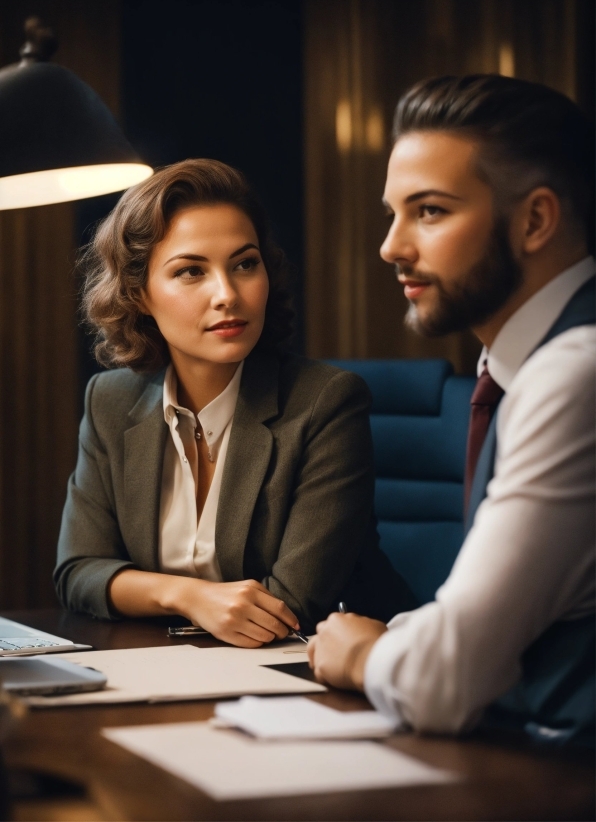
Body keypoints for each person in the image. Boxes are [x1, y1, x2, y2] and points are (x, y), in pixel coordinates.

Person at [308, 75, 595, 744]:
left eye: (429, 211)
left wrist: (361, 655)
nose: (392, 246)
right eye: (393, 212)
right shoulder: (520, 367)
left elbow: (444, 680)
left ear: (535, 220)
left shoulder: (573, 375)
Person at [55, 158, 414, 648]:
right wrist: (187, 596)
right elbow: (78, 571)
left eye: (245, 264)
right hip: (172, 669)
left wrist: (143, 590)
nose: (227, 294)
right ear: (139, 293)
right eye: (190, 272)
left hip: (326, 675)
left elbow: (290, 604)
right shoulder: (110, 400)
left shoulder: (326, 402)